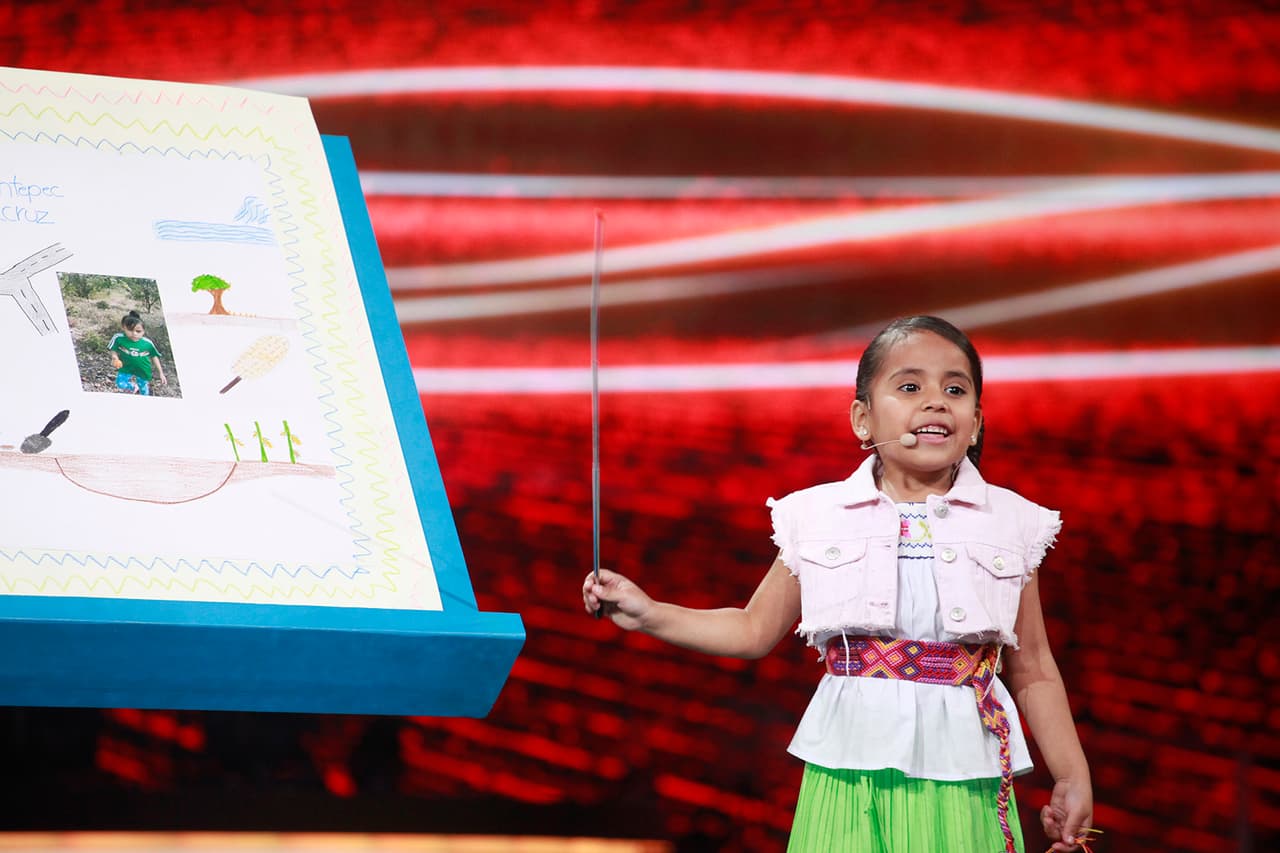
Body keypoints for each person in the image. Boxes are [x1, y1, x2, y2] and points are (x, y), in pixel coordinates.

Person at [583, 315, 1093, 852]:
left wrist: (1071, 774)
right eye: (910, 386)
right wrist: (648, 613)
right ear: (862, 420)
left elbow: (1033, 668)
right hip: (849, 772)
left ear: (977, 422)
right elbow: (753, 629)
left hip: (963, 774)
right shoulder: (820, 515)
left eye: (956, 389)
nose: (937, 401)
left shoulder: (1010, 524)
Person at [107, 311, 167, 396]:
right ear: (124, 328)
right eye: (130, 330)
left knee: (144, 391)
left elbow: (154, 356)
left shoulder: (147, 343)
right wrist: (114, 357)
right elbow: (113, 349)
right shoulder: (119, 338)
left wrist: (161, 373)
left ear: (143, 331)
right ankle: (134, 387)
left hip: (142, 370)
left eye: (138, 331)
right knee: (120, 383)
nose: (134, 334)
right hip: (126, 367)